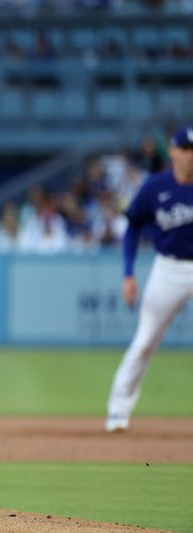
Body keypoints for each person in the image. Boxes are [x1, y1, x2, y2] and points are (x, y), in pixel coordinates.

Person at [105, 126, 193, 432]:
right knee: (144, 343)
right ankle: (118, 411)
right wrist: (128, 274)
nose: (190, 155)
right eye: (185, 149)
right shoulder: (155, 187)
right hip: (168, 269)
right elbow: (132, 228)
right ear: (172, 152)